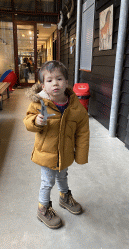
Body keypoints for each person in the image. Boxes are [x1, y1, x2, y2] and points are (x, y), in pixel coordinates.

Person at [23, 60, 89, 229]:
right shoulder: (39, 103)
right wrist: (36, 121)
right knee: (47, 182)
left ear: (67, 82)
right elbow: (27, 122)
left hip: (65, 153)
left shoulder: (75, 107)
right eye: (49, 80)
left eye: (59, 79)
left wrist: (80, 155)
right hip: (46, 153)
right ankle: (42, 208)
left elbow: (82, 132)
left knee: (62, 176)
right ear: (43, 85)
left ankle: (64, 197)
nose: (55, 84)